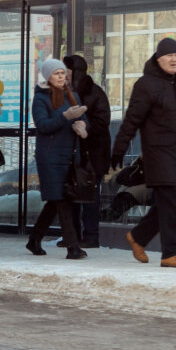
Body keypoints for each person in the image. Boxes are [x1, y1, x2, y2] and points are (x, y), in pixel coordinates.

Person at [111, 38, 176, 268]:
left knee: (169, 203)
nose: (174, 59)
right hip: (158, 153)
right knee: (170, 201)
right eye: (169, 55)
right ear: (158, 58)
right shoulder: (146, 84)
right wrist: (119, 148)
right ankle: (170, 253)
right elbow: (132, 120)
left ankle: (138, 237)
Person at [26, 59, 89, 260]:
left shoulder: (73, 95)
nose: (62, 76)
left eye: (63, 73)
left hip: (69, 156)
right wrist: (65, 117)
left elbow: (82, 120)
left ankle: (34, 239)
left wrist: (82, 127)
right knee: (62, 201)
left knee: (56, 201)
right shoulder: (40, 99)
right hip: (50, 157)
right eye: (57, 73)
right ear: (48, 76)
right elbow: (43, 125)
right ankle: (73, 247)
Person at [58, 54, 111, 249]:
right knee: (71, 194)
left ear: (77, 73)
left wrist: (85, 128)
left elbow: (103, 121)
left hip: (92, 154)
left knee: (90, 197)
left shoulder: (94, 93)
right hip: (72, 153)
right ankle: (71, 235)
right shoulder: (63, 93)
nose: (65, 75)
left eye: (68, 72)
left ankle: (90, 236)